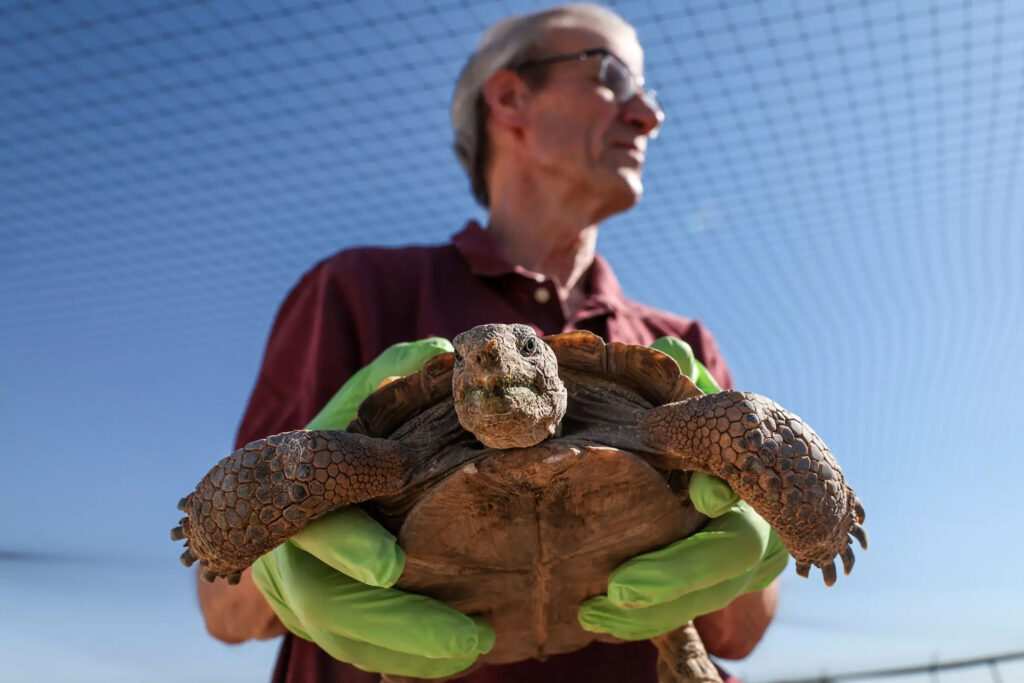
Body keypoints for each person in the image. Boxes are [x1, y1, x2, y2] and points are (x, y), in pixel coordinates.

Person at [197, 5, 786, 682]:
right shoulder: (360, 292)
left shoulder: (679, 343)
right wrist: (271, 545)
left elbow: (742, 628)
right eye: (614, 76)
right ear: (509, 97)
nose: (646, 114)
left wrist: (767, 506)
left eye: (648, 93)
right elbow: (222, 605)